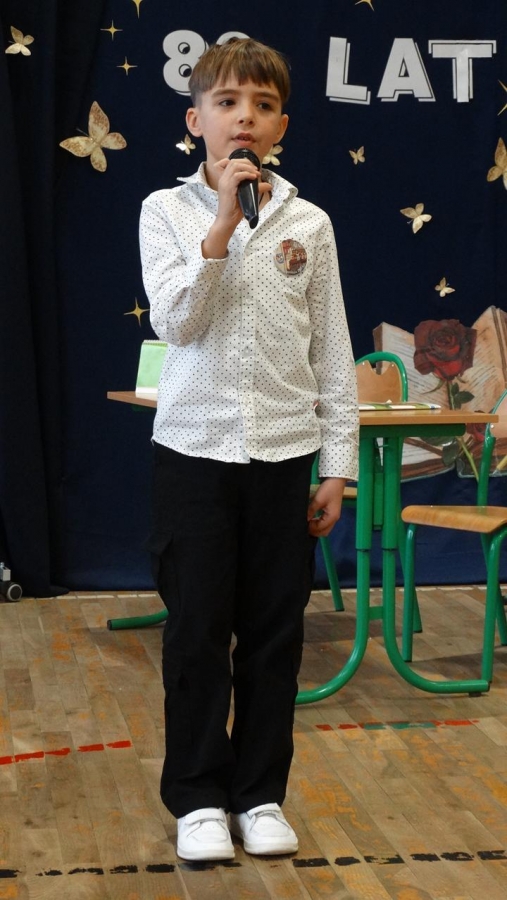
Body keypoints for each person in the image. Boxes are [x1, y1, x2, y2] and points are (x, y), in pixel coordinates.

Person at [139, 37, 359, 862]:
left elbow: (330, 350)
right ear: (194, 120)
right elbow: (176, 323)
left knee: (273, 633)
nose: (245, 118)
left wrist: (336, 464)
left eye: (262, 106)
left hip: (282, 454)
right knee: (197, 629)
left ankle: (260, 793)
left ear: (280, 127)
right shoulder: (165, 212)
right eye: (227, 103)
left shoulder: (309, 224)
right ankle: (198, 796)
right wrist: (224, 226)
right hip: (194, 453)